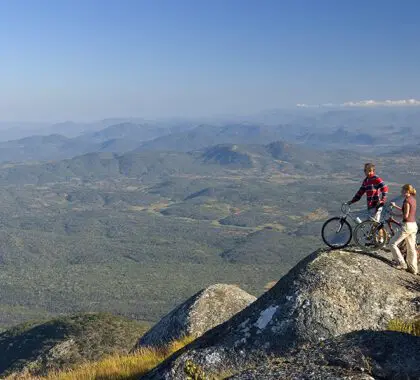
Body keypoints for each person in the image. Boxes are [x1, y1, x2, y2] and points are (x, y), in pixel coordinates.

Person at [390, 184, 418, 275]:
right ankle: (413, 269)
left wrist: (394, 215)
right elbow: (408, 212)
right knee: (411, 248)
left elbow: (405, 216)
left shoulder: (406, 201)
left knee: (392, 243)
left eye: (402, 190)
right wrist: (395, 207)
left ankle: (402, 263)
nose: (401, 192)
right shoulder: (413, 199)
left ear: (407, 191)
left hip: (407, 226)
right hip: (414, 225)